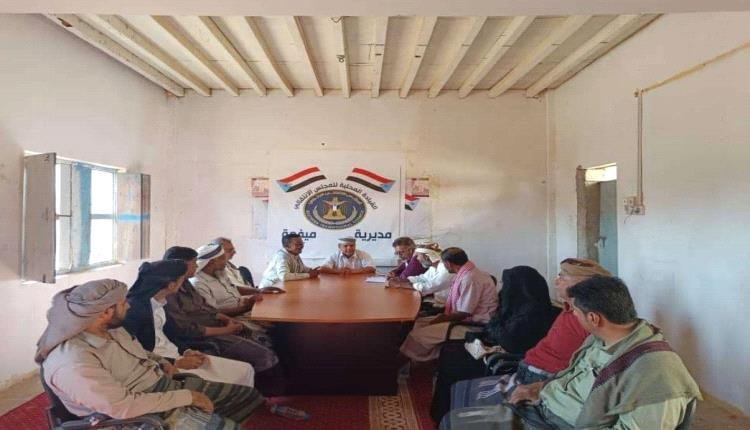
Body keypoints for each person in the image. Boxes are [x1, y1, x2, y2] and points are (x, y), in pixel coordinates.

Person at [36, 279, 266, 429]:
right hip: (131, 416)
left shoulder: (111, 330)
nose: (129, 306)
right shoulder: (72, 361)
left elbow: (141, 353)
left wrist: (166, 363)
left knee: (245, 397)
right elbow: (122, 407)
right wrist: (188, 397)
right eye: (123, 303)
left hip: (159, 386)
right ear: (105, 312)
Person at [505, 276, 701, 429]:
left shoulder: (657, 376)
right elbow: (574, 376)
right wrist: (542, 388)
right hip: (542, 407)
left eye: (575, 311)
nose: (573, 315)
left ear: (593, 318)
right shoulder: (600, 339)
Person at [447, 258, 612, 413]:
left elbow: (588, 369)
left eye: (562, 277)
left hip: (540, 378)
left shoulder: (589, 318)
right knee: (457, 389)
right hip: (528, 368)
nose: (556, 282)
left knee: (461, 400)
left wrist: (544, 387)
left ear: (581, 283)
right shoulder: (569, 309)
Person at [430, 266, 560, 423]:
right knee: (448, 351)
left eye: (506, 285)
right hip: (497, 350)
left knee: (452, 363)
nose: (503, 289)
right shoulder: (518, 305)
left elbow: (508, 340)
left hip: (507, 360)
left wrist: (497, 321)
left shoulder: (532, 314)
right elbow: (494, 329)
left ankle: (447, 412)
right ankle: (443, 411)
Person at [123, 259, 256, 387]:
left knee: (245, 369)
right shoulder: (134, 311)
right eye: (182, 280)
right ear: (172, 285)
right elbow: (137, 352)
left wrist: (187, 351)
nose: (183, 283)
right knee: (224, 382)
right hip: (160, 366)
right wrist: (174, 362)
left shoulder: (161, 302)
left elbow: (170, 334)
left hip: (177, 355)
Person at [161, 246, 279, 375]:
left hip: (217, 326)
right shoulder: (170, 292)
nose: (196, 265)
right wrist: (226, 329)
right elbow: (185, 329)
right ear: (181, 265)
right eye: (194, 262)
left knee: (266, 340)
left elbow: (206, 308)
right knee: (264, 356)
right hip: (203, 337)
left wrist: (227, 320)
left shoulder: (185, 282)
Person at [399, 247, 498, 362]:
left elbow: (463, 313)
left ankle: (411, 362)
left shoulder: (470, 278)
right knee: (419, 322)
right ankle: (424, 359)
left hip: (473, 325)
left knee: (418, 335)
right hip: (463, 318)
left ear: (448, 264)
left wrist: (440, 319)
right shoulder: (469, 272)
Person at [192, 243, 263, 316]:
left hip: (242, 309)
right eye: (223, 258)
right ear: (211, 262)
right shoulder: (199, 284)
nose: (226, 261)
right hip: (232, 318)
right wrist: (247, 307)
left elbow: (233, 288)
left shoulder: (220, 272)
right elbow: (214, 313)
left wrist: (258, 291)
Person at [388, 246, 454, 303]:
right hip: (437, 300)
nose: (417, 259)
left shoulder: (446, 269)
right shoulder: (434, 267)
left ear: (426, 257)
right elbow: (423, 278)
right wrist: (404, 280)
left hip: (444, 305)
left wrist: (400, 284)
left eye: (418, 256)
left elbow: (427, 288)